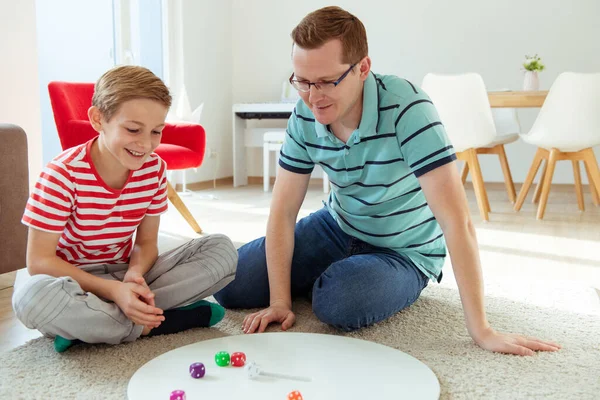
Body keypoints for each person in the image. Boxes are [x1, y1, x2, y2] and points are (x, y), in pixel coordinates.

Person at [215, 6, 560, 356]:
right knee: (230, 283)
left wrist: (482, 330)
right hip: (338, 226)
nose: (313, 96)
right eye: (302, 81)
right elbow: (283, 212)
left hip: (404, 250)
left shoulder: (409, 109)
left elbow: (457, 221)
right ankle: (322, 275)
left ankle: (342, 279)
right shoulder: (305, 113)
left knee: (336, 303)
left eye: (326, 81)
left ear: (362, 68)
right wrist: (279, 301)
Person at [12, 65, 237, 352]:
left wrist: (134, 276)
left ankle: (97, 325)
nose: (145, 144)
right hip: (69, 280)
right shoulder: (62, 174)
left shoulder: (154, 169)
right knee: (32, 298)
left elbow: (145, 244)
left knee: (222, 250)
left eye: (156, 131)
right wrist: (113, 292)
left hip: (123, 271)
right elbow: (39, 261)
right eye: (132, 129)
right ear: (97, 119)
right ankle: (155, 322)